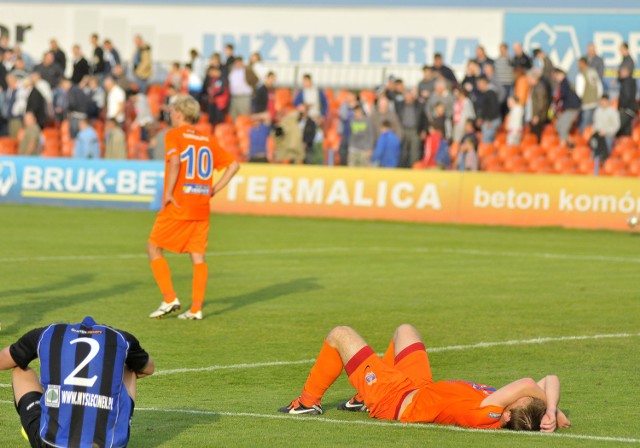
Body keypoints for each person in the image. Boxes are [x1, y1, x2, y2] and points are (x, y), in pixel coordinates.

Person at [279, 324, 571, 433]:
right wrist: (551, 410)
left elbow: (532, 383)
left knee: (340, 334)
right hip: (418, 389)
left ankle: (307, 403)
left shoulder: (488, 413)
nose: (525, 394)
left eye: (522, 401)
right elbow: (550, 379)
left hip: (391, 400)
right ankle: (359, 399)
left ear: (506, 415)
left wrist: (549, 409)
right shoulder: (505, 406)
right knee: (405, 330)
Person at [147, 95, 240, 321]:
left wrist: (168, 191)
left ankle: (169, 298)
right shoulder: (206, 139)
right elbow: (234, 165)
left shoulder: (174, 135)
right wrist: (214, 190)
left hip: (179, 204)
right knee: (198, 257)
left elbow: (176, 162)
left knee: (153, 247)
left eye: (171, 111)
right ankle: (196, 308)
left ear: (179, 113)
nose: (170, 114)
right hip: (201, 206)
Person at [0, 316, 154, 448]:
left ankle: (39, 423)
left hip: (51, 444)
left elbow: (4, 360)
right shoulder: (121, 338)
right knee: (130, 369)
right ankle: (114, 431)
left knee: (19, 369)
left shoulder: (47, 333)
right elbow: (148, 368)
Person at [552, 68, 581, 146]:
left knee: (563, 126)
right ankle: (571, 142)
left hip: (572, 108)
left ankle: (563, 145)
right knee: (558, 125)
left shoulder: (564, 83)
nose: (556, 77)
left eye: (557, 75)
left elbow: (562, 95)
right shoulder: (562, 83)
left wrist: (556, 100)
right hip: (568, 108)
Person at [575, 57, 603, 133]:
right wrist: (598, 98)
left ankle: (582, 140)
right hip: (596, 102)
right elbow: (599, 86)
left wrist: (579, 101)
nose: (578, 65)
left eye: (579, 63)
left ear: (583, 63)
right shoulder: (594, 72)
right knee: (593, 124)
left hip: (586, 103)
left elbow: (579, 91)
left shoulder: (581, 74)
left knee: (585, 123)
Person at [476, 76, 501, 144]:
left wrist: (489, 120)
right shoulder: (484, 93)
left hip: (491, 121)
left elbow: (494, 108)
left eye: (479, 83)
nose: (478, 85)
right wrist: (481, 118)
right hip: (488, 120)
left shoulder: (491, 93)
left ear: (484, 83)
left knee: (487, 142)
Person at [617, 66, 638, 137]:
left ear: (627, 72)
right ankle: (626, 145)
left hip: (626, 110)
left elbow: (627, 96)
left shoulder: (627, 82)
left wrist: (622, 108)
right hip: (630, 109)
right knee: (626, 130)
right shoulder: (630, 81)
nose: (620, 74)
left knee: (618, 128)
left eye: (621, 72)